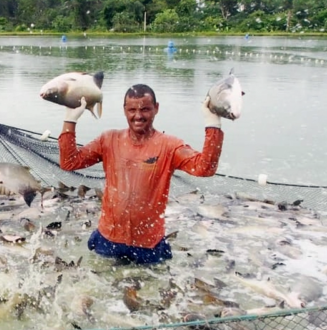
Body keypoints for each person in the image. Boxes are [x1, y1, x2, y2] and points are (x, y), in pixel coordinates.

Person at [58, 84, 225, 264]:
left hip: (148, 244)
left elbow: (205, 168)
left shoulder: (169, 145)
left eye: (145, 109)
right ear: (124, 110)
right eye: (132, 110)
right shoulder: (108, 140)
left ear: (156, 109)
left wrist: (212, 123)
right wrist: (70, 120)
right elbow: (69, 162)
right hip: (109, 237)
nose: (138, 116)